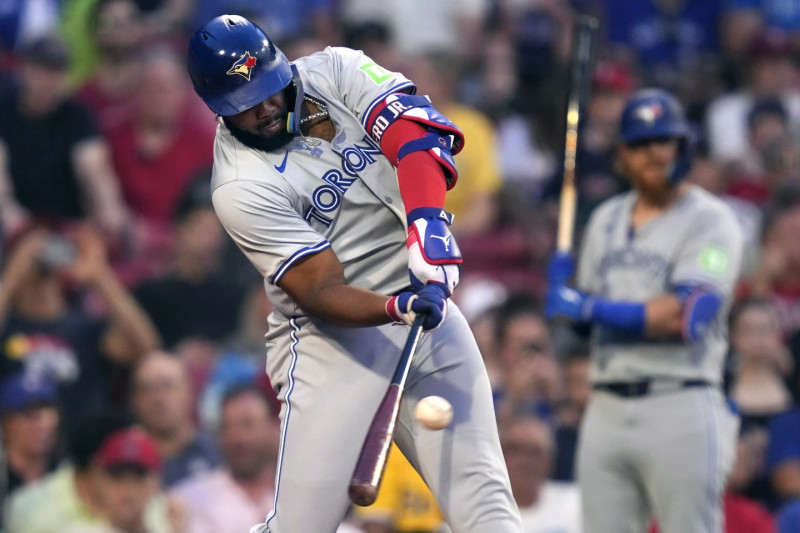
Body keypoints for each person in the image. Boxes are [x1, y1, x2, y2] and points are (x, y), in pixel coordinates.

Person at [186, 15, 522, 533]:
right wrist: (395, 307)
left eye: (268, 89)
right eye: (245, 105)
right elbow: (320, 289)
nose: (265, 108)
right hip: (333, 344)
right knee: (300, 528)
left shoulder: (335, 70)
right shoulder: (238, 185)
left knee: (490, 512)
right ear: (218, 109)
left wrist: (427, 224)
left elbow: (416, 133)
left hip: (427, 313)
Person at [545, 88, 744, 533]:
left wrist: (587, 306)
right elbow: (582, 324)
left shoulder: (713, 220)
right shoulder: (605, 220)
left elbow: (688, 316)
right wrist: (563, 301)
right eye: (639, 144)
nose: (653, 153)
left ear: (684, 148)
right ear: (621, 156)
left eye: (663, 140)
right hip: (606, 403)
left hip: (681, 399)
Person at [130, 351, 220, 488]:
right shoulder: (126, 458)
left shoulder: (217, 450)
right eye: (147, 389)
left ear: (189, 392)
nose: (158, 398)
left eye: (167, 386)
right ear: (135, 401)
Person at [500, 415, 582, 533]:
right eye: (514, 450)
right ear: (499, 457)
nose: (524, 461)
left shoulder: (574, 505)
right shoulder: (478, 510)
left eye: (534, 452)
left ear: (550, 461)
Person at [0, 372, 60, 504]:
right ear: (6, 423)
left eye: (46, 412)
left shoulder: (67, 472)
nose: (41, 424)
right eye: (28, 414)